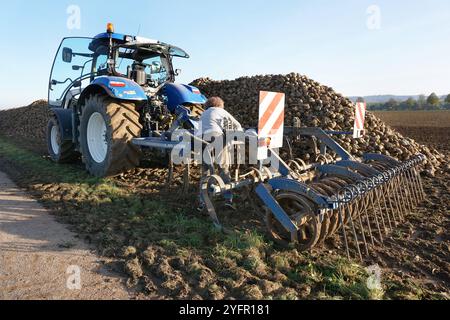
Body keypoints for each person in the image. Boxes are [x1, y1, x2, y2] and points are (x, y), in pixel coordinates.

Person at [197, 97, 243, 211]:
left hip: (201, 141)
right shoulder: (220, 111)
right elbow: (237, 126)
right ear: (219, 105)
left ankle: (203, 201)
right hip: (216, 138)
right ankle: (228, 199)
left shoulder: (203, 114)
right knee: (223, 168)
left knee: (206, 172)